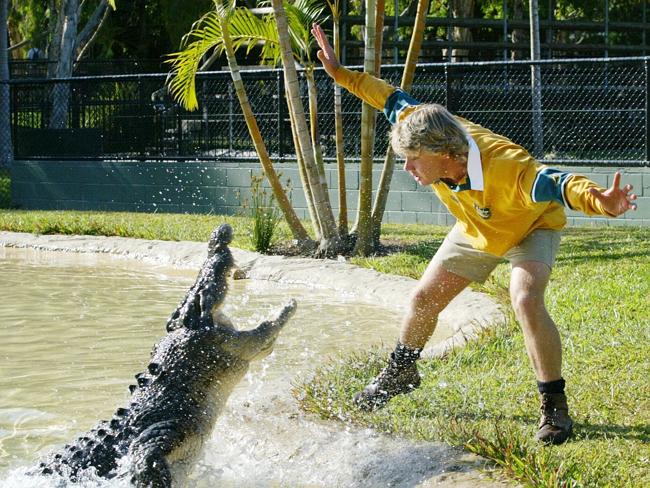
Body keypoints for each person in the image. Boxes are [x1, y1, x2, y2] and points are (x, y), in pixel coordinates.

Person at [311, 24, 638, 445]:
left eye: (413, 161)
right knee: (423, 298)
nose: (408, 169)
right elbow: (388, 98)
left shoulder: (508, 167)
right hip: (477, 225)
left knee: (525, 298)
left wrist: (601, 201)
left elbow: (559, 183)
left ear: (447, 156)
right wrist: (341, 74)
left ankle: (554, 406)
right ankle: (401, 371)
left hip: (529, 222)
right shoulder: (419, 124)